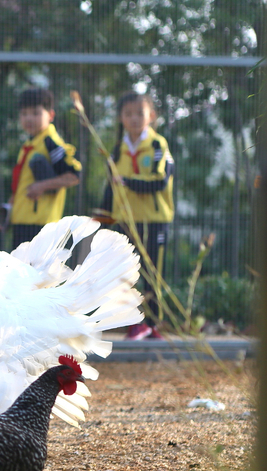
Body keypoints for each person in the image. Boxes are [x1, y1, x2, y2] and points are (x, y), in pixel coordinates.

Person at [101, 91, 175, 340]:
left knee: (152, 273)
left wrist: (129, 181)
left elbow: (160, 181)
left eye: (139, 113)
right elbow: (110, 186)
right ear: (121, 118)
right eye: (128, 114)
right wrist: (102, 218)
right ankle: (135, 324)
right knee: (127, 272)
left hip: (153, 220)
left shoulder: (157, 145)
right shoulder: (117, 151)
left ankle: (154, 325)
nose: (134, 119)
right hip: (125, 220)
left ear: (151, 116)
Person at [0, 88, 81, 250]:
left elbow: (74, 176)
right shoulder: (28, 145)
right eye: (24, 114)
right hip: (22, 221)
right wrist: (10, 207)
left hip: (42, 225)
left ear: (50, 115)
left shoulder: (51, 143)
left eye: (35, 113)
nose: (29, 118)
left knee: (38, 274)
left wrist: (42, 186)